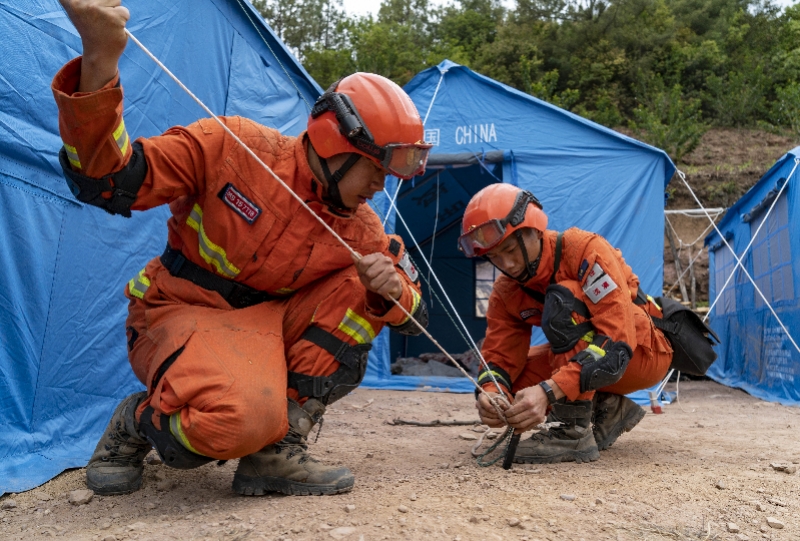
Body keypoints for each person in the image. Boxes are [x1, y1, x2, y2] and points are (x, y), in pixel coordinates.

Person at [53, 0, 431, 496]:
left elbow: (413, 312)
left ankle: (275, 449)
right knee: (224, 427)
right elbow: (106, 180)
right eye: (376, 170)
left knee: (367, 289)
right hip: (176, 311)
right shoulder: (229, 147)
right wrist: (100, 60)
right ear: (336, 143)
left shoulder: (360, 229)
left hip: (260, 333)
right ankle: (136, 419)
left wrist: (391, 292)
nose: (380, 188)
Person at [458, 183, 674, 464]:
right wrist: (492, 396)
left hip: (643, 351)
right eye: (494, 257)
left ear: (534, 230)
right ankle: (606, 408)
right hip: (602, 358)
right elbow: (499, 357)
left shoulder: (584, 250)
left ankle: (572, 432)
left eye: (510, 249)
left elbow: (617, 341)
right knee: (515, 389)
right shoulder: (505, 291)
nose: (507, 264)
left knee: (565, 299)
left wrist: (548, 392)